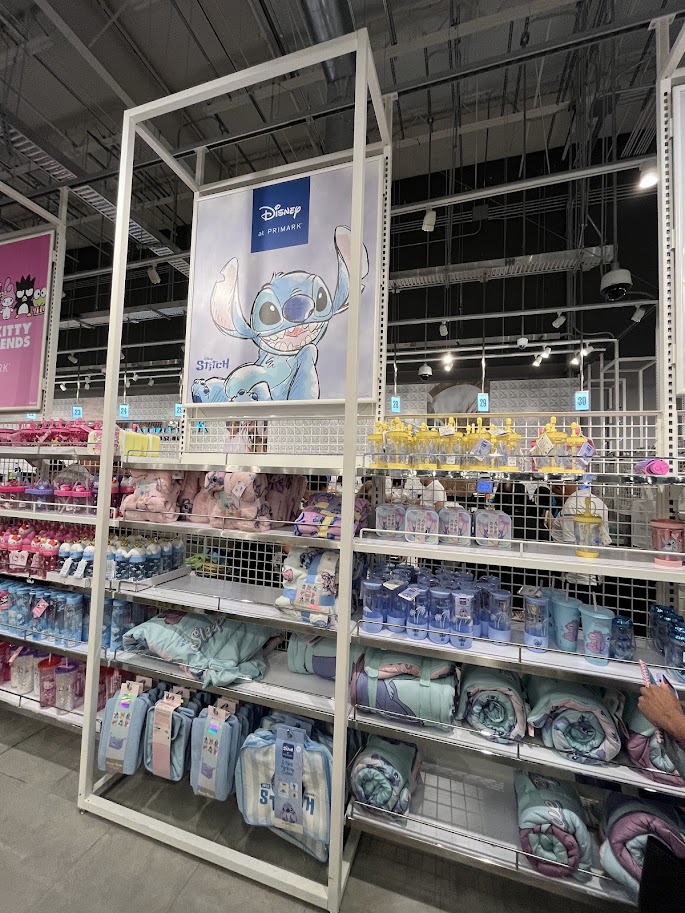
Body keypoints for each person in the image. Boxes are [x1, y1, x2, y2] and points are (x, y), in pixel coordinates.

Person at [550, 483, 611, 599]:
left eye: (555, 493)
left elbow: (570, 544)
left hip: (576, 577)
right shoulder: (598, 502)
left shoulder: (570, 505)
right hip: (596, 573)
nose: (556, 498)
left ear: (560, 488)